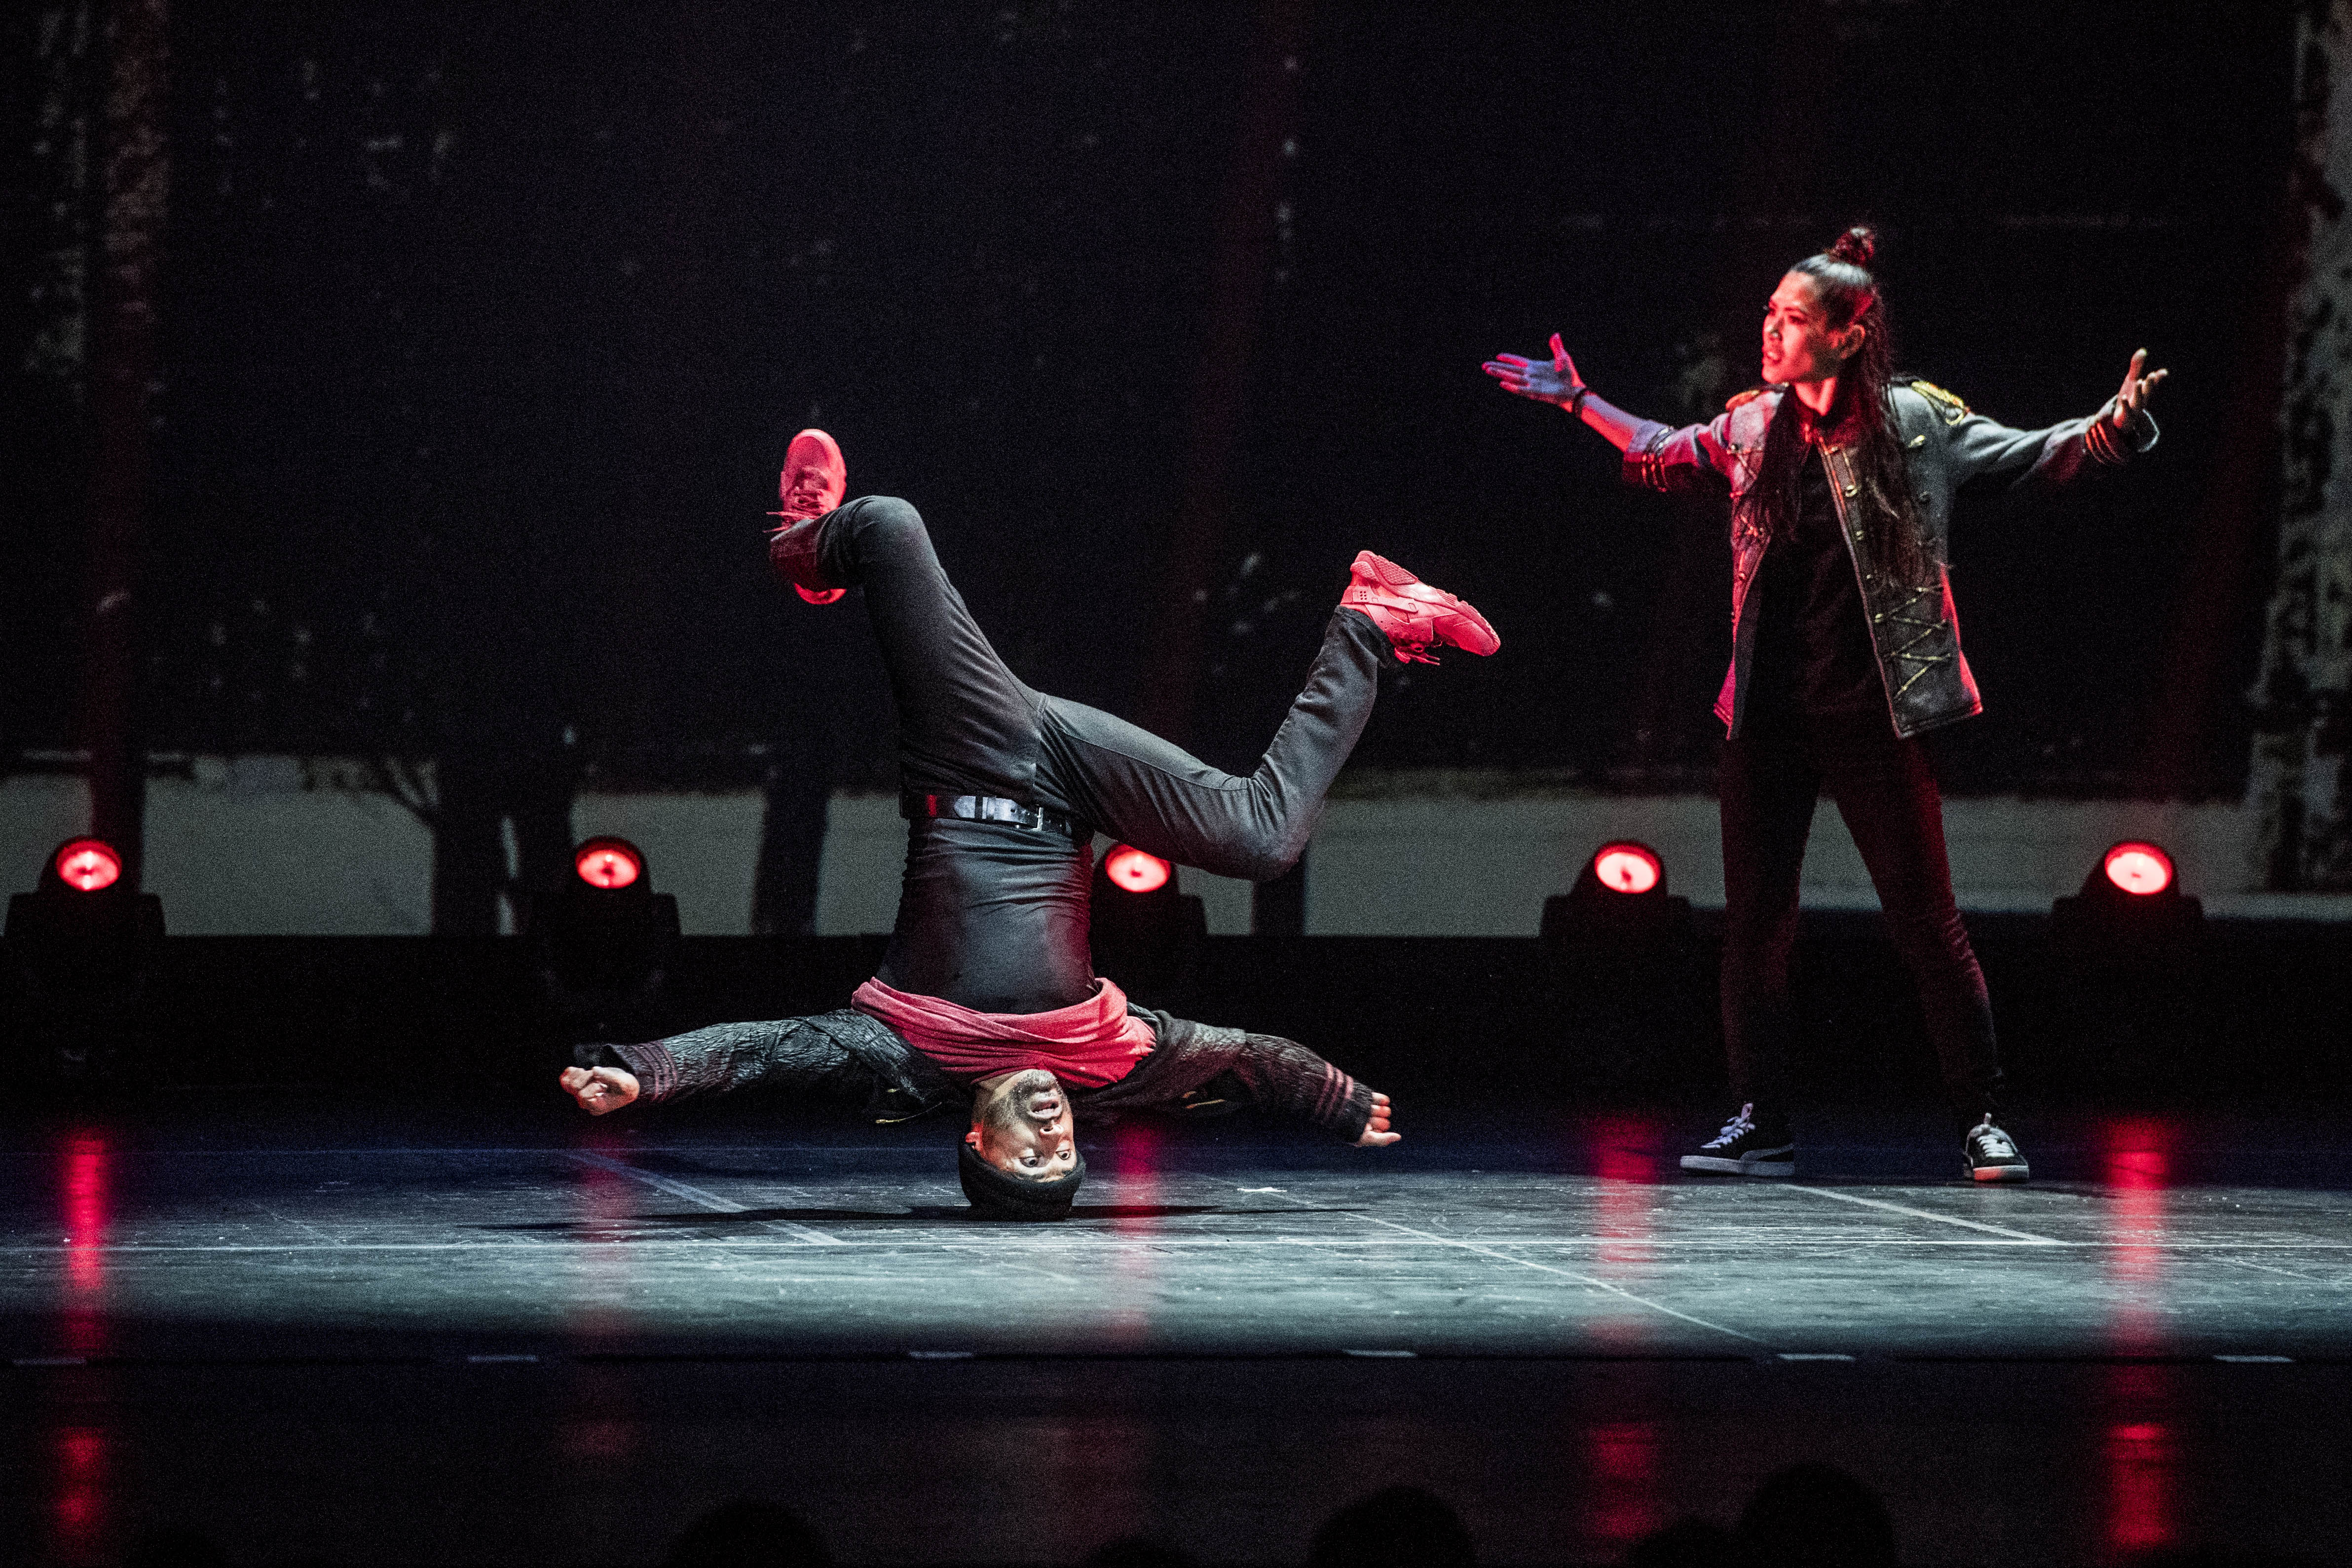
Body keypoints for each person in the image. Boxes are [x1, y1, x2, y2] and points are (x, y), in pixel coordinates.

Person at [560, 429, 1499, 1218]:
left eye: (1025, 1154)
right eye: (1064, 1158)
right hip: (1080, 789)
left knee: (886, 525)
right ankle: (1373, 617)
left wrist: (641, 1069)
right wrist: (1333, 1100)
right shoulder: (1111, 1062)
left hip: (975, 751)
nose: (1052, 1136)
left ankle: (808, 538)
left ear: (976, 1137)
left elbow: (766, 1053)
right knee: (1263, 841)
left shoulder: (909, 1056)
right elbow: (1246, 1060)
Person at [1485, 225, 2165, 1183]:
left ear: (1848, 332)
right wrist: (1580, 402)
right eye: (1767, 312)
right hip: (1768, 715)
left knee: (1926, 923)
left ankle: (1980, 1118)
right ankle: (1760, 1119)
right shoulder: (1751, 427)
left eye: (1791, 316)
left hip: (1875, 713)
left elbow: (2032, 454)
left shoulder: (1914, 423)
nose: (1769, 330)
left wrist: (2113, 425)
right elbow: (1659, 448)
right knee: (1755, 924)